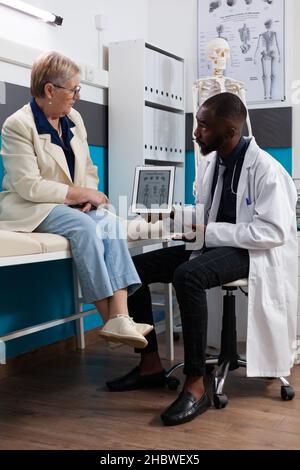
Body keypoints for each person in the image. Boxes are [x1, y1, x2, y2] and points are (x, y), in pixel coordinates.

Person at [107, 92, 298, 426]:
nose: (196, 133)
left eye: (204, 126)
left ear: (230, 129)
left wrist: (208, 231)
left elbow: (271, 232)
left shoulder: (268, 170)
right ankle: (150, 364)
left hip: (253, 253)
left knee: (188, 275)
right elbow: (208, 211)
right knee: (134, 267)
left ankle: (196, 386)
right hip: (214, 242)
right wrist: (172, 214)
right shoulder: (214, 164)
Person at [0, 51, 153, 349]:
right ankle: (109, 317)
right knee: (84, 228)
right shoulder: (18, 125)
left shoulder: (73, 119)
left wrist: (89, 198)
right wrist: (78, 194)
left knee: (108, 220)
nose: (77, 96)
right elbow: (27, 185)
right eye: (74, 89)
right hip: (32, 207)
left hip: (71, 204)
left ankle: (120, 316)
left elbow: (89, 170)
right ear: (49, 90)